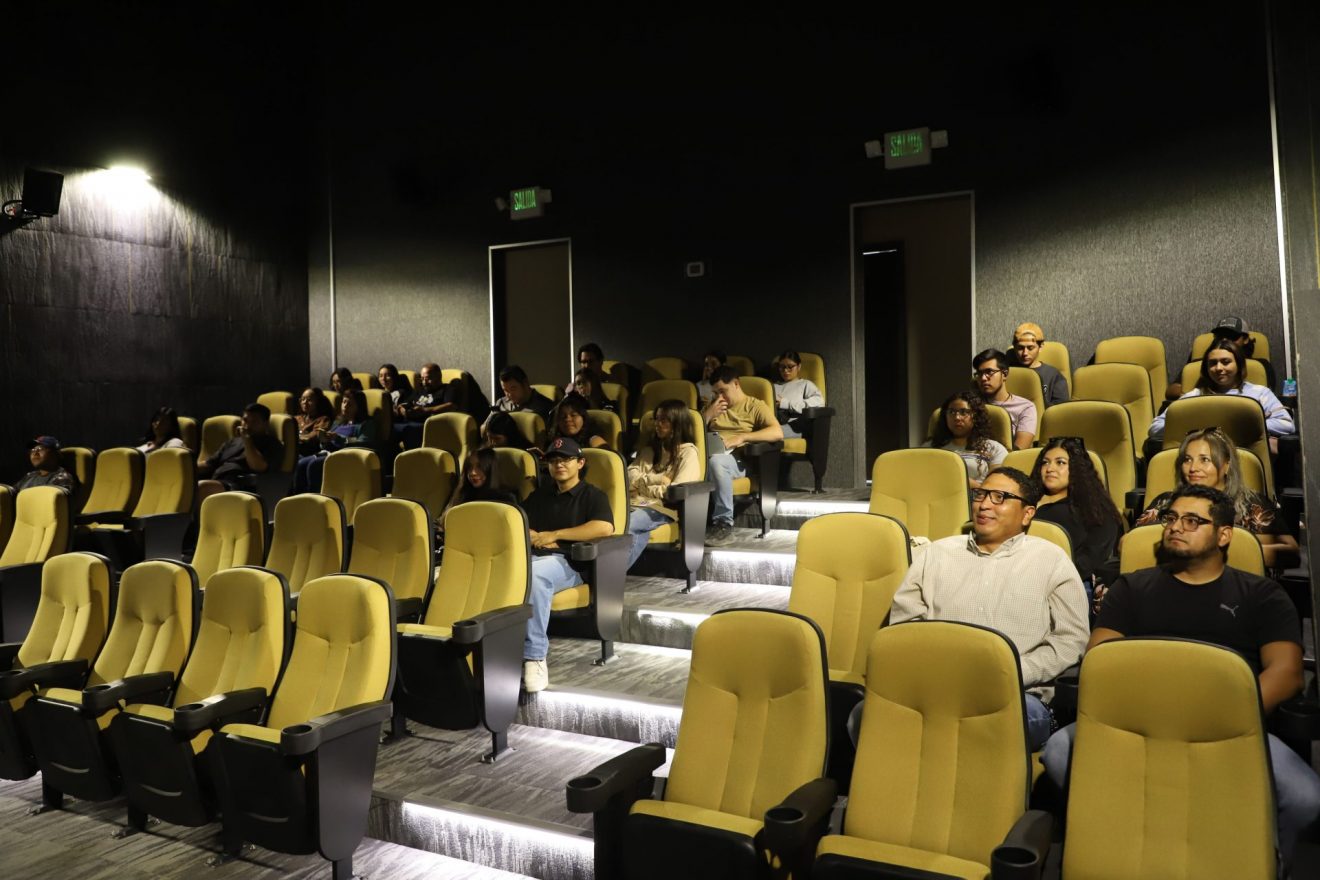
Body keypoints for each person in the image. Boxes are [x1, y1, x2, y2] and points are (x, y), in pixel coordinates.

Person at [1041, 485, 1320, 861]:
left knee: (1304, 798)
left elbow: (1286, 673)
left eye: (1192, 521)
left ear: (1224, 535)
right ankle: (1128, 844)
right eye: (1171, 518)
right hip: (1138, 723)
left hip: (1229, 725)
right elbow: (1100, 661)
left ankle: (1258, 862)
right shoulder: (1132, 588)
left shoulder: (1261, 595)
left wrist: (1224, 718)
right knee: (1058, 751)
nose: (1175, 527)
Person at [889, 467, 1089, 749]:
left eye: (999, 497)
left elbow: (1071, 640)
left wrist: (1010, 671)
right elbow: (904, 628)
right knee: (866, 715)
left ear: (1027, 514)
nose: (984, 504)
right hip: (937, 689)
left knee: (993, 725)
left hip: (1017, 694)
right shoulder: (936, 554)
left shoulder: (1051, 560)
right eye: (981, 495)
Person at [519, 437, 614, 693]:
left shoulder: (593, 495)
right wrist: (535, 537)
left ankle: (535, 656)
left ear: (580, 463)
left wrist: (555, 535)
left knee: (535, 576)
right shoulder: (540, 495)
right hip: (533, 555)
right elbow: (518, 520)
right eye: (553, 460)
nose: (559, 464)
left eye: (566, 459)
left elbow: (604, 527)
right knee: (511, 572)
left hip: (569, 562)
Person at [1136, 427, 1298, 571]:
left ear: (1227, 465)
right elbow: (1129, 544)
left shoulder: (1251, 504)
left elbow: (1291, 553)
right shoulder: (1165, 502)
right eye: (1187, 460)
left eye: (1205, 460)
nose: (1193, 468)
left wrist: (1221, 549)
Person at [1148, 339, 1294, 449]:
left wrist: (1241, 425)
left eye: (1225, 362)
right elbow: (1155, 428)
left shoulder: (1259, 393)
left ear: (1239, 365)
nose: (1218, 368)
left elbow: (1286, 425)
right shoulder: (1194, 396)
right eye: (1213, 363)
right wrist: (1195, 427)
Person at [702, 365, 783, 546]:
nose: (720, 397)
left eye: (723, 391)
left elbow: (777, 432)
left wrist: (742, 437)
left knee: (717, 462)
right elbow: (691, 434)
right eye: (716, 393)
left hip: (738, 460)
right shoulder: (713, 407)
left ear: (736, 384)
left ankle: (724, 524)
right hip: (708, 455)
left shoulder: (754, 406)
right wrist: (707, 416)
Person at [1028, 437, 1122, 587]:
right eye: (1045, 462)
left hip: (1067, 583)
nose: (1050, 468)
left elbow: (1090, 559)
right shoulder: (1024, 501)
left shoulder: (1095, 510)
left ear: (1077, 468)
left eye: (1060, 463)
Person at [625, 399, 701, 569]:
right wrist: (658, 480)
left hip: (662, 508)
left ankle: (606, 577)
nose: (658, 424)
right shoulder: (651, 449)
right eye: (657, 419)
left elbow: (675, 492)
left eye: (664, 420)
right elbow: (629, 478)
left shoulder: (688, 453)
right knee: (621, 526)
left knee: (627, 525)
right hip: (635, 503)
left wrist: (642, 487)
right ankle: (608, 577)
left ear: (677, 424)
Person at [196, 403, 284, 506]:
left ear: (265, 424)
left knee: (202, 487)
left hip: (239, 485)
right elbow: (209, 464)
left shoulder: (272, 444)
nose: (247, 425)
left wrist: (247, 440)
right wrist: (186, 467)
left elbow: (258, 467)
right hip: (217, 480)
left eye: (254, 422)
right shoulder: (233, 441)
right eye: (245, 420)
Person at [292, 389, 377, 494]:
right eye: (344, 402)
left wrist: (339, 439)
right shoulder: (339, 421)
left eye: (350, 404)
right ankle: (297, 497)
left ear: (359, 406)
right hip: (328, 453)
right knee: (300, 464)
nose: (345, 406)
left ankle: (314, 497)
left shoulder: (366, 424)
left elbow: (363, 443)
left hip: (346, 457)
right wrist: (324, 440)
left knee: (313, 465)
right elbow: (325, 445)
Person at [925, 390, 1007, 488]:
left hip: (977, 496)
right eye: (951, 412)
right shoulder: (929, 448)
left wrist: (964, 482)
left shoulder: (994, 449)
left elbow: (996, 487)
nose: (957, 417)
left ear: (976, 416)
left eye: (964, 412)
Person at [436, 447, 518, 539]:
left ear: (490, 469)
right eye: (469, 467)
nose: (473, 473)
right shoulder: (463, 493)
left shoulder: (506, 499)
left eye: (479, 467)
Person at [973, 348, 1037, 449]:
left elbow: (1020, 449)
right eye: (979, 373)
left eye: (989, 372)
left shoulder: (1025, 407)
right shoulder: (972, 405)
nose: (983, 378)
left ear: (1005, 374)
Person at [393, 362, 459, 449]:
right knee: (387, 428)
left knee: (407, 429)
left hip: (428, 424)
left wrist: (424, 410)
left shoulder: (447, 388)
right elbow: (405, 403)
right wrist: (402, 409)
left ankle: (415, 456)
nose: (424, 382)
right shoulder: (421, 390)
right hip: (409, 421)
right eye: (422, 378)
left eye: (428, 379)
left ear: (438, 377)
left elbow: (451, 406)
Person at [1007, 322, 1069, 407]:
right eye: (1020, 348)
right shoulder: (1007, 373)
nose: (1025, 353)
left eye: (1030, 348)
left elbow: (1060, 409)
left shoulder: (1053, 374)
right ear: (1014, 347)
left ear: (1041, 347)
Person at [483, 365, 555, 435]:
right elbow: (483, 429)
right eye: (505, 390)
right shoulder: (501, 403)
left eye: (513, 389)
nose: (509, 395)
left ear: (525, 383)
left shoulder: (545, 406)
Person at [772, 349, 825, 439]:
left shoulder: (805, 384)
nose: (785, 370)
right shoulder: (772, 386)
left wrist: (786, 404)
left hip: (795, 425)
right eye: (782, 367)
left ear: (799, 367)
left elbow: (819, 403)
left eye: (790, 367)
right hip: (772, 422)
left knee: (767, 433)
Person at [541, 394, 607, 452]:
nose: (567, 419)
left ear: (583, 418)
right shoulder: (554, 442)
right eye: (563, 417)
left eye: (573, 415)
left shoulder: (594, 440)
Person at [15, 436, 79, 494]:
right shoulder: (30, 476)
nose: (35, 453)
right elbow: (13, 493)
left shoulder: (62, 478)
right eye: (33, 450)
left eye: (40, 449)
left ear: (56, 454)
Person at [294, 388, 335, 456]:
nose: (304, 402)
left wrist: (294, 438)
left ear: (318, 402)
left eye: (309, 400)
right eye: (303, 399)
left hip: (308, 454)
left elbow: (311, 438)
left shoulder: (323, 420)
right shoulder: (298, 418)